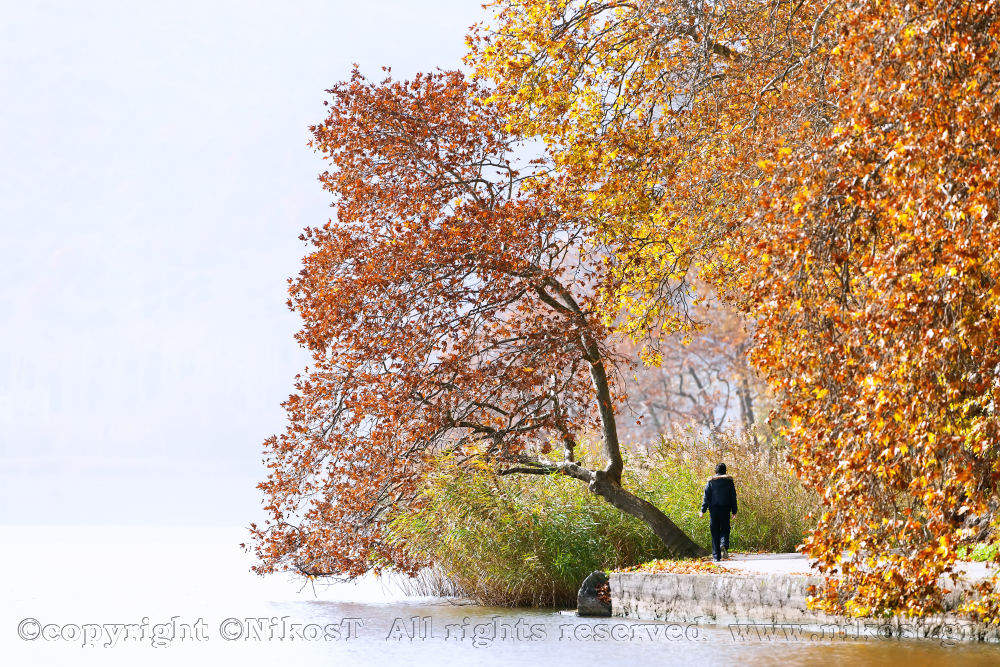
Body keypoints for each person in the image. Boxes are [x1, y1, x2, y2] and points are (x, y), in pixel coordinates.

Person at [699, 462, 738, 561]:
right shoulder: (729, 482)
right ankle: (724, 544)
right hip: (725, 508)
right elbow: (733, 497)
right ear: (725, 471)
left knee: (714, 531)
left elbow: (706, 497)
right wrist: (734, 510)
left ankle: (716, 556)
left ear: (716, 471)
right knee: (725, 528)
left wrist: (702, 511)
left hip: (714, 509)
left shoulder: (711, 481)